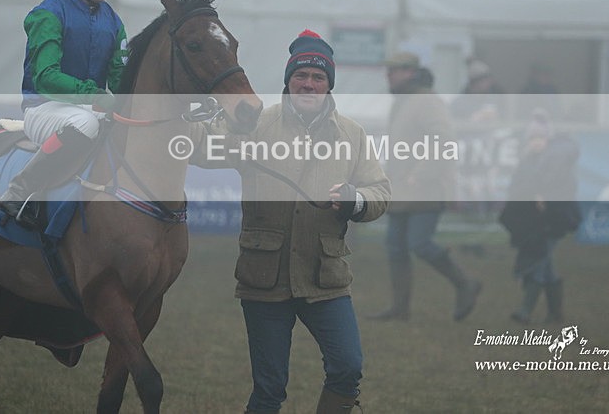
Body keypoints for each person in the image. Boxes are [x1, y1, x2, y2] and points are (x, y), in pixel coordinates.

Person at [190, 30, 390, 413]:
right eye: (301, 76)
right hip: (265, 277)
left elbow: (379, 192)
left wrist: (356, 200)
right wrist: (182, 113)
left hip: (324, 277)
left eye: (318, 77)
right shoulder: (253, 124)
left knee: (348, 367)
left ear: (329, 84)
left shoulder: (353, 133)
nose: (309, 84)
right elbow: (203, 145)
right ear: (288, 80)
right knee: (269, 389)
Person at [0, 0, 133, 227]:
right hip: (44, 108)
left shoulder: (114, 21)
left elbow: (120, 77)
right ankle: (18, 191)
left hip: (91, 108)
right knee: (84, 123)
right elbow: (46, 78)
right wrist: (95, 96)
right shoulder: (47, 14)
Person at [369, 52, 481, 322]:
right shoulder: (404, 102)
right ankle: (400, 308)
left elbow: (443, 141)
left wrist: (422, 173)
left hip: (425, 187)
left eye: (393, 71)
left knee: (419, 243)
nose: (389, 76)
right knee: (395, 246)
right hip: (401, 188)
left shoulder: (428, 101)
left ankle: (465, 284)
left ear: (410, 72)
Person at [499, 109, 580, 324]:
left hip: (552, 221)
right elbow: (518, 189)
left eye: (540, 137)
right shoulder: (526, 164)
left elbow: (564, 191)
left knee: (538, 263)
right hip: (534, 223)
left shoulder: (558, 165)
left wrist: (545, 196)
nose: (536, 142)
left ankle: (525, 310)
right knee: (546, 264)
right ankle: (556, 313)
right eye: (532, 138)